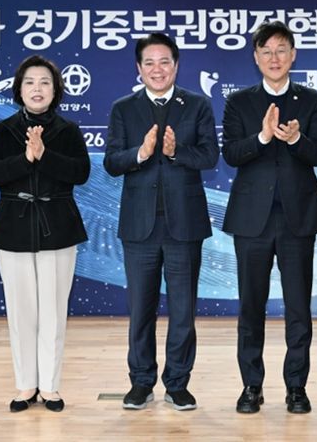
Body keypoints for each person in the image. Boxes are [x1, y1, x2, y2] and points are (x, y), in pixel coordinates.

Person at [104, 32, 219, 411]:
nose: (157, 69)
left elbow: (209, 157)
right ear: (139, 68)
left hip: (184, 225)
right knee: (141, 309)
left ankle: (177, 383)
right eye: (149, 63)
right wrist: (140, 153)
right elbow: (112, 162)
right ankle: (141, 382)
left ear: (176, 65)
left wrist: (175, 151)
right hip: (139, 227)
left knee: (183, 311)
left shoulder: (197, 105)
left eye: (164, 61)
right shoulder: (123, 108)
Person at [222, 20, 317, 415]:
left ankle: (296, 387)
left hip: (297, 219)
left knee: (298, 308)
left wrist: (296, 139)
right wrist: (264, 137)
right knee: (251, 307)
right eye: (266, 51)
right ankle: (251, 385)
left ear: (293, 55)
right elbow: (231, 154)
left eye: (282, 50)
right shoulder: (239, 102)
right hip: (252, 221)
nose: (274, 57)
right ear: (256, 57)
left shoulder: (312, 101)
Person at [0, 55, 89, 413]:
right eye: (29, 82)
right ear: (19, 89)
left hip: (58, 225)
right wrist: (25, 158)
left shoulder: (68, 130)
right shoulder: (3, 129)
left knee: (53, 312)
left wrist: (44, 155)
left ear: (55, 90)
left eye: (44, 82)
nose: (37, 89)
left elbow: (81, 173)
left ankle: (50, 387)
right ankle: (26, 384)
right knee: (20, 311)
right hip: (13, 226)